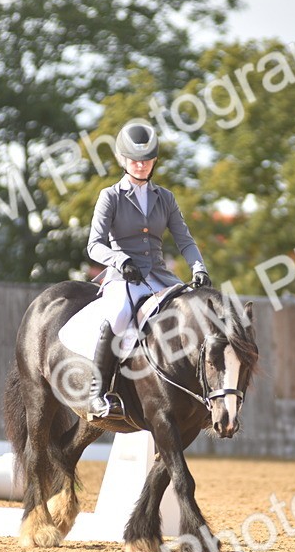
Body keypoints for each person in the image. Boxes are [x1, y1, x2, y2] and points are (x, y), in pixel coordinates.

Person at [84, 121, 212, 420]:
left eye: (147, 161)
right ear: (124, 161)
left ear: (154, 161)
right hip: (124, 277)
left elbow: (185, 241)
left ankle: (198, 398)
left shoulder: (165, 198)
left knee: (190, 318)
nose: (141, 166)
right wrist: (121, 261)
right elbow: (94, 245)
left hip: (159, 276)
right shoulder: (110, 197)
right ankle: (97, 393)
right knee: (117, 315)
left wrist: (198, 268)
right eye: (135, 161)